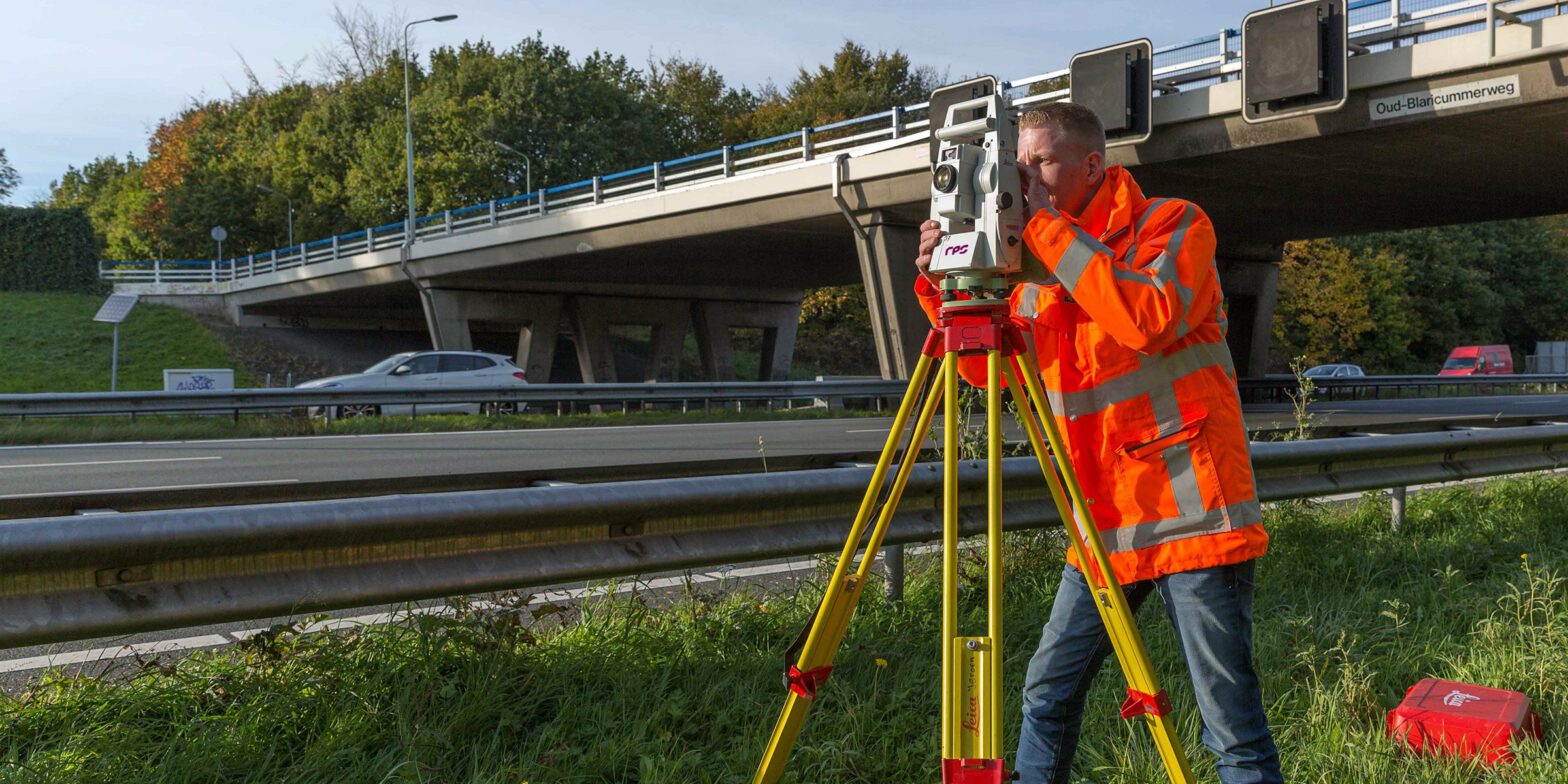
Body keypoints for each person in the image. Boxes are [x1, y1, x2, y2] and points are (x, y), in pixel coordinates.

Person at [913, 102, 1283, 784]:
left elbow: (1148, 316)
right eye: (1017, 164)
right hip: (1101, 523)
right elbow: (988, 374)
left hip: (1192, 514)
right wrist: (948, 288)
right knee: (1046, 694)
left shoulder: (1172, 225)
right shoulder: (1029, 263)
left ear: (1092, 164)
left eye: (1042, 162)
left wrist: (1045, 230)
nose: (1025, 178)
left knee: (1229, 724)